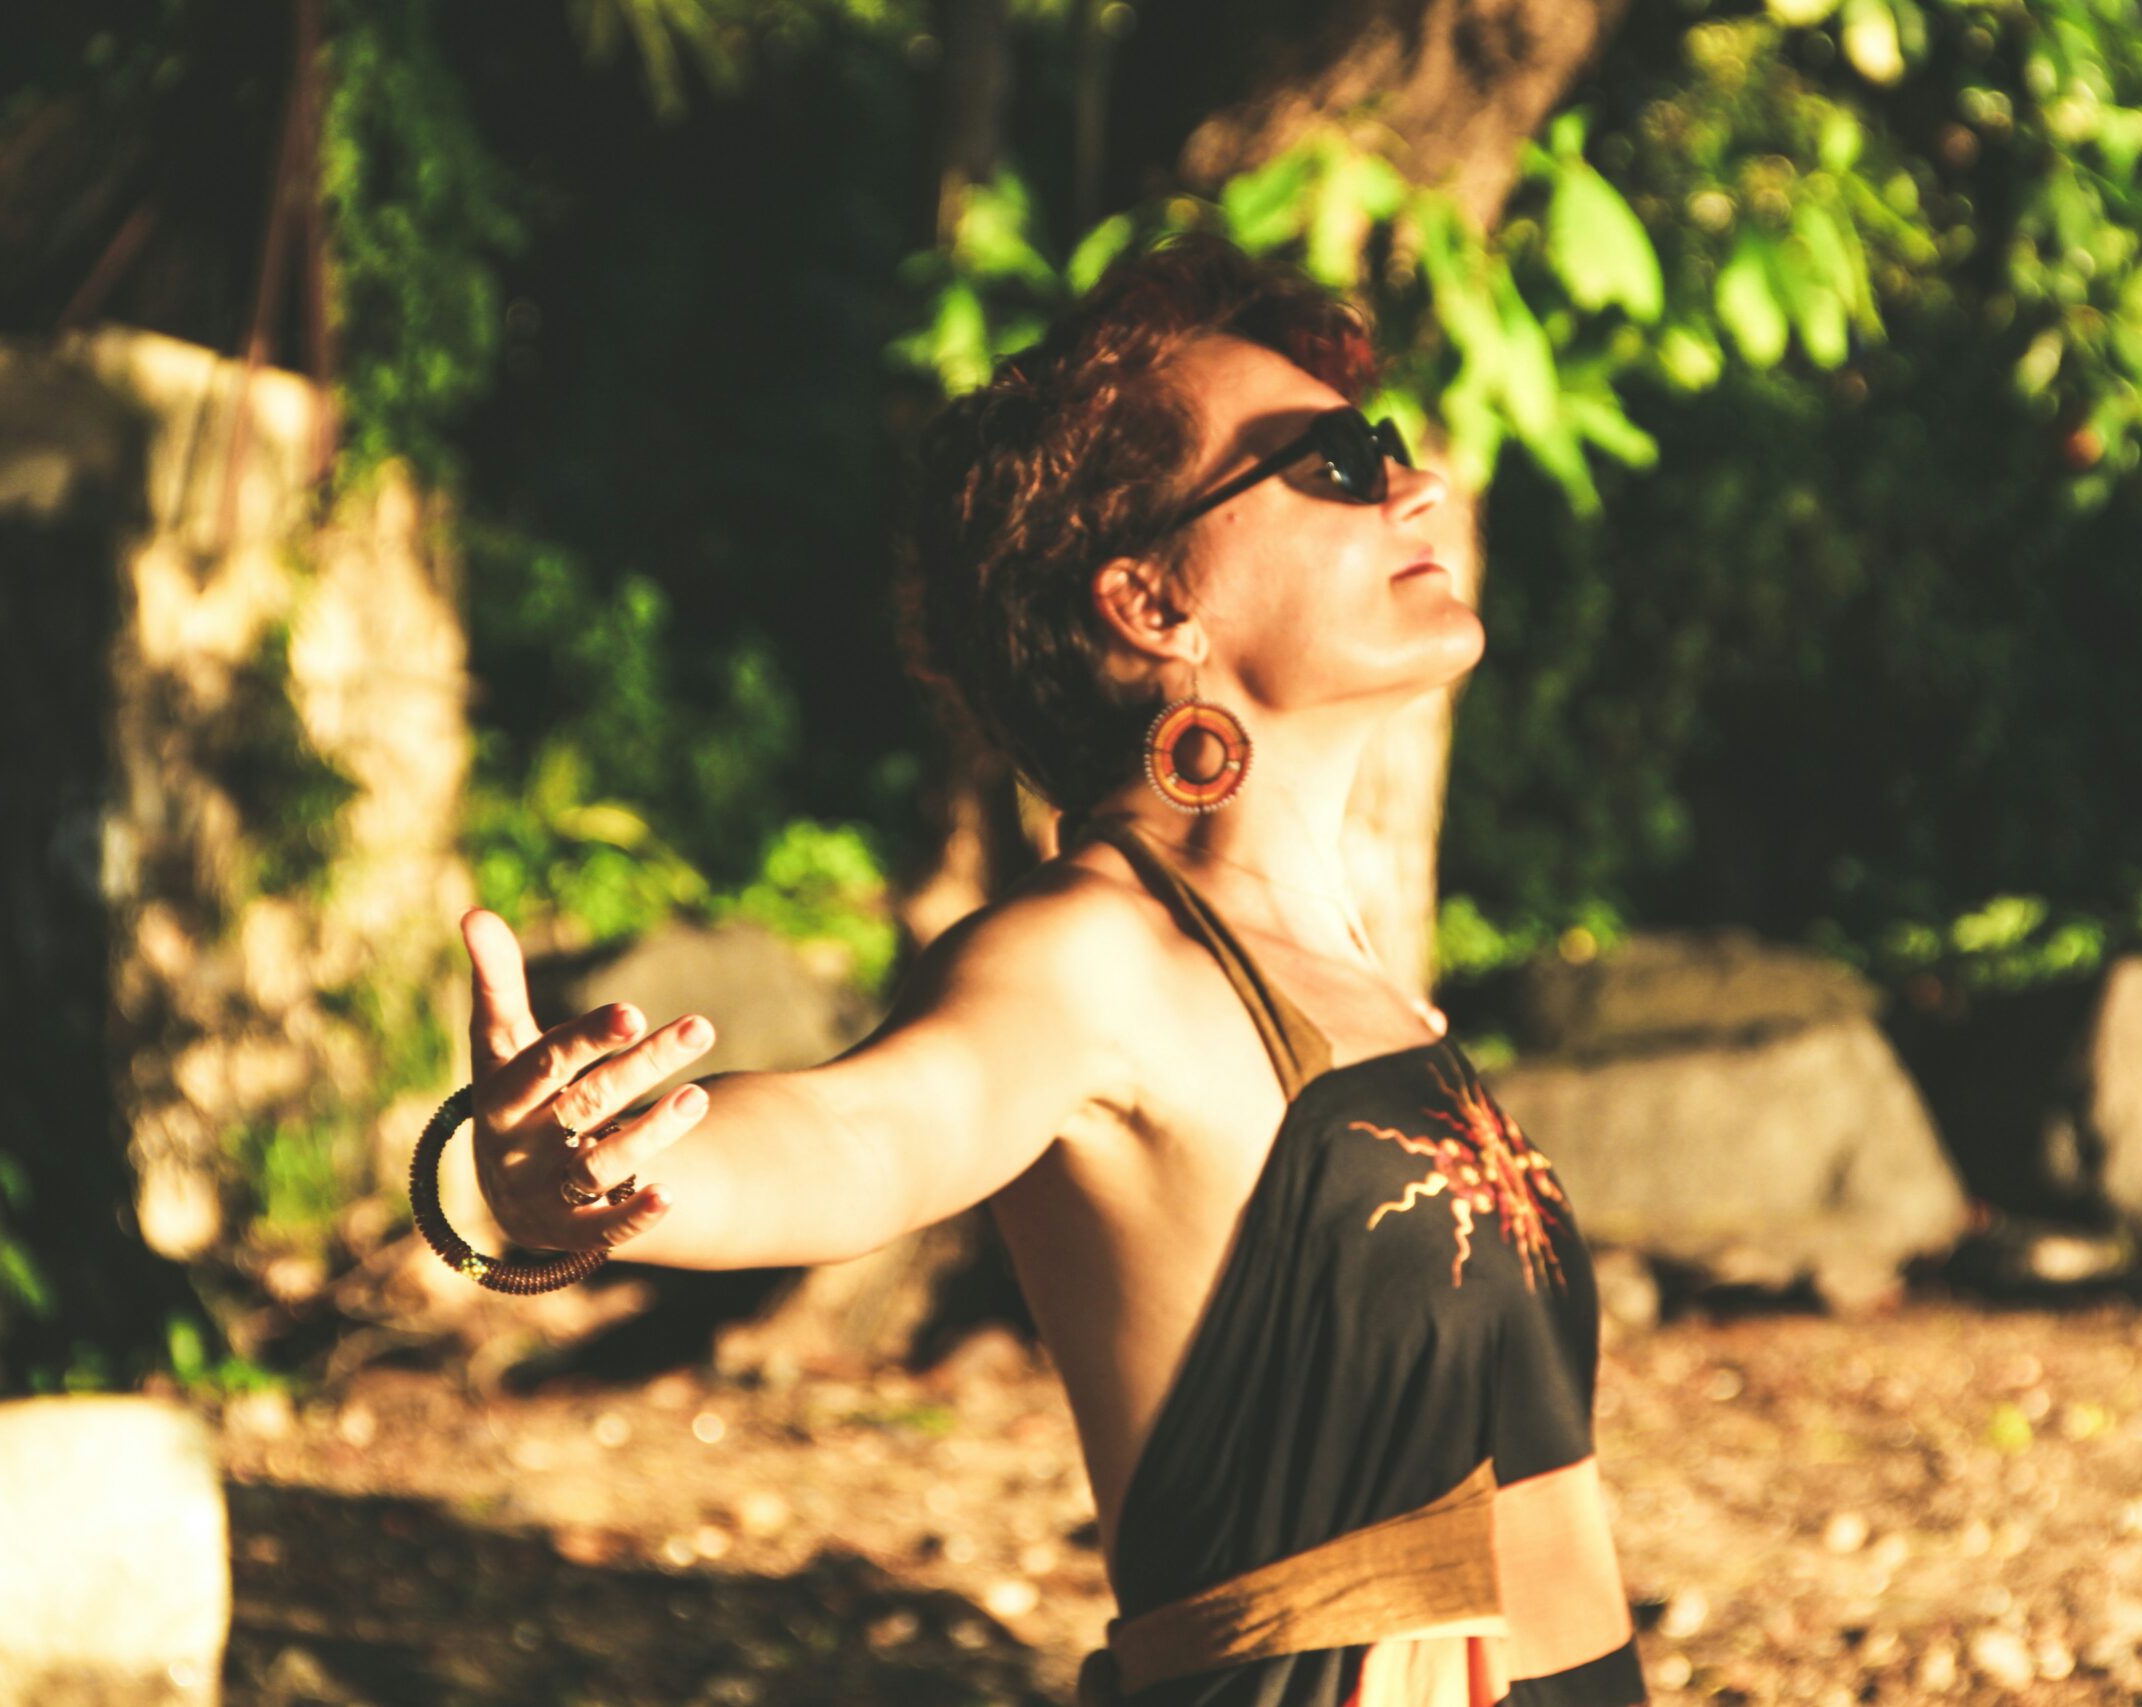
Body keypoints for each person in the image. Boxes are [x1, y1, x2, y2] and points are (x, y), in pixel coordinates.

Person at [458, 232, 1649, 1706]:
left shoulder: (1352, 978)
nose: (1418, 486)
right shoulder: (1092, 956)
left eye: (1388, 446)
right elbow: (864, 1129)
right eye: (1334, 463)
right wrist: (561, 1182)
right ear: (1151, 604)